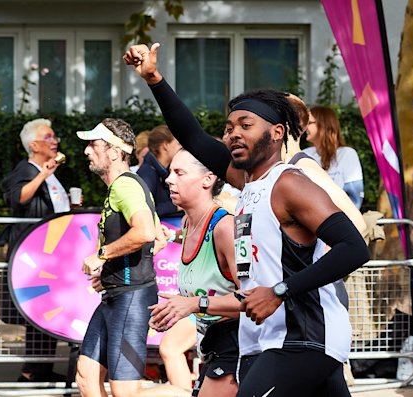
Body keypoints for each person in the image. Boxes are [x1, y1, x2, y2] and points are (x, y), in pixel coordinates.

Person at [124, 43, 370, 397]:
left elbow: (353, 247)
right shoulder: (247, 182)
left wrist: (280, 291)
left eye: (246, 125)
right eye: (228, 127)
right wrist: (153, 79)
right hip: (268, 337)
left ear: (277, 132)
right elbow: (192, 135)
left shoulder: (290, 183)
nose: (233, 133)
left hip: (304, 336)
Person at [75, 119, 186, 397]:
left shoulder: (126, 186)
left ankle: (192, 394)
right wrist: (113, 267)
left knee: (125, 392)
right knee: (86, 376)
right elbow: (159, 238)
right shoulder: (125, 186)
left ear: (114, 151)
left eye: (93, 145)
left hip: (132, 297)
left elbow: (147, 232)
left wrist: (103, 255)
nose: (87, 151)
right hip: (117, 294)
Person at [150, 148, 239, 397]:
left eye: (179, 173)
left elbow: (254, 300)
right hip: (210, 347)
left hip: (237, 346)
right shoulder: (188, 223)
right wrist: (175, 309)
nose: (169, 179)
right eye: (170, 172)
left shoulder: (225, 228)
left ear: (207, 179)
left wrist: (194, 304)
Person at [1, 118, 70, 382]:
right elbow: (18, 198)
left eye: (55, 137)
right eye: (49, 137)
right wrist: (44, 173)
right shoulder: (27, 169)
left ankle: (42, 368)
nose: (55, 142)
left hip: (51, 251)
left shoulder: (47, 171)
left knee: (47, 310)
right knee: (38, 312)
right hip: (35, 252)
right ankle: (31, 372)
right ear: (33, 144)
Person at [303, 106, 365, 209]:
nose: (305, 127)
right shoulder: (304, 155)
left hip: (339, 220)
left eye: (309, 123)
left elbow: (354, 199)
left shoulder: (347, 154)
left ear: (323, 125)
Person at [137, 125, 183, 216]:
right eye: (178, 143)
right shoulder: (147, 173)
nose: (182, 147)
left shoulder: (162, 171)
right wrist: (175, 207)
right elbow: (143, 212)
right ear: (165, 145)